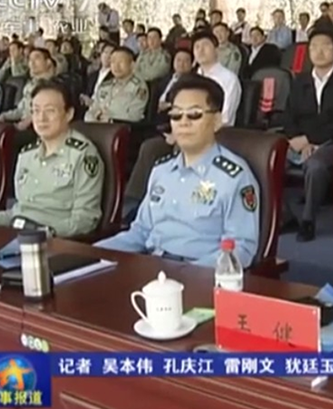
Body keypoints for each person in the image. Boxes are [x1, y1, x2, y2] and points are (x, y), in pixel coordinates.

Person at [95, 74, 260, 268]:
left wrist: (185, 273)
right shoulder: (161, 171)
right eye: (176, 115)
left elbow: (241, 249)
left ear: (216, 121)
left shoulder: (234, 177)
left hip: (199, 274)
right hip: (152, 267)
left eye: (194, 114)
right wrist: (90, 253)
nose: (183, 122)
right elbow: (140, 233)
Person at [0, 81, 104, 237]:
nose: (41, 118)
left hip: (55, 240)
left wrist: (44, 233)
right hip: (20, 232)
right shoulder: (26, 154)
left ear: (69, 114)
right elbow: (18, 211)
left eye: (50, 111)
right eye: (35, 111)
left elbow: (85, 220)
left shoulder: (83, 155)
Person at [283, 29, 333, 242]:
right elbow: (288, 116)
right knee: (268, 160)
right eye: (314, 47)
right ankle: (285, 216)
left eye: (325, 46)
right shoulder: (300, 81)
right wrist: (298, 140)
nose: (319, 51)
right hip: (299, 142)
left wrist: (310, 139)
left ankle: (308, 220)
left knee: (315, 166)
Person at [84, 46, 149, 123]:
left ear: (132, 65)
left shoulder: (138, 87)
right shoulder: (105, 85)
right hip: (97, 126)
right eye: (113, 62)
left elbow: (135, 115)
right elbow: (92, 110)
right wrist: (93, 118)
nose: (116, 66)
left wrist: (110, 118)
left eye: (120, 62)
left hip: (120, 127)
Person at [193, 31, 241, 126]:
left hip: (217, 130)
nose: (200, 50)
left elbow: (226, 118)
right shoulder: (192, 78)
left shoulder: (229, 79)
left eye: (205, 45)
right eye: (197, 47)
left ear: (217, 50)